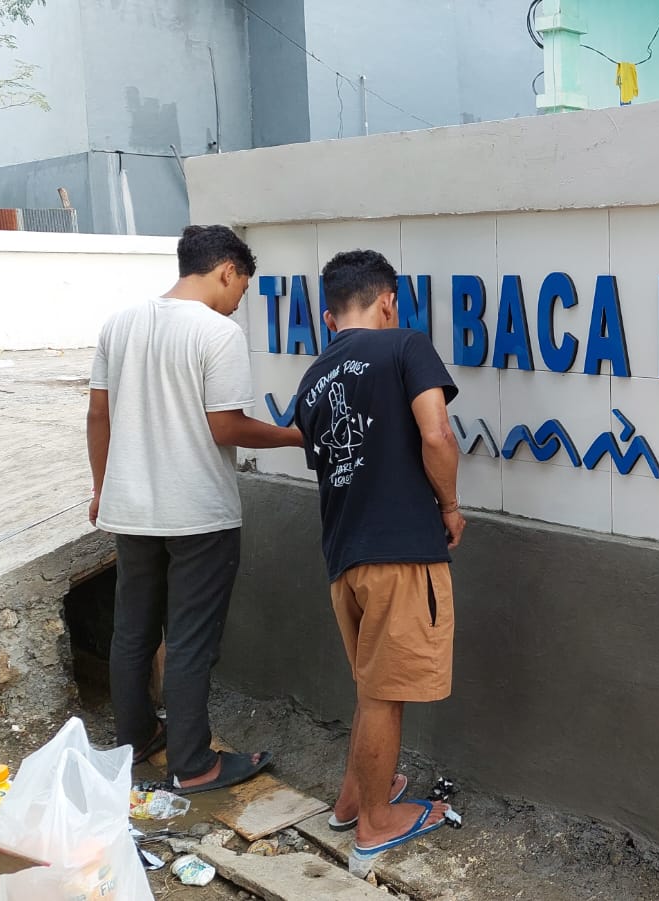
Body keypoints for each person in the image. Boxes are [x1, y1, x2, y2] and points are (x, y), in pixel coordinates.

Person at [87, 225, 301, 794]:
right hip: (199, 514)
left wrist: (101, 489)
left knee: (132, 630)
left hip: (131, 508)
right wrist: (294, 436)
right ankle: (193, 764)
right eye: (242, 289)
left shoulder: (120, 323)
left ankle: (136, 739)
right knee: (189, 640)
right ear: (227, 270)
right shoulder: (217, 332)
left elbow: (98, 416)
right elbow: (226, 426)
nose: (238, 303)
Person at [292, 249, 463, 868]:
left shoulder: (313, 378)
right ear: (389, 301)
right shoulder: (405, 345)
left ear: (329, 316)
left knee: (373, 688)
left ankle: (352, 801)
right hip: (400, 552)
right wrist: (450, 505)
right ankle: (375, 822)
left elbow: (332, 464)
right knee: (386, 694)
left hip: (345, 556)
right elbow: (436, 434)